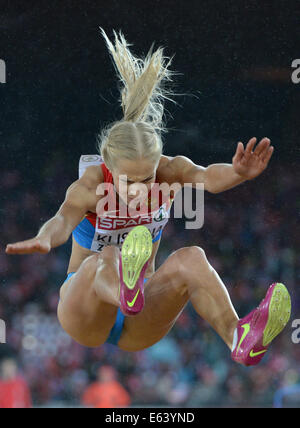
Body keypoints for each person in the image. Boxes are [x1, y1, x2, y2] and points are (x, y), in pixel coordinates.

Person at [6, 29, 291, 367]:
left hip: (142, 320)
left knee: (192, 257)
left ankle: (237, 336)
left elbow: (208, 178)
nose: (140, 189)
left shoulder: (170, 171)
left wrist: (238, 173)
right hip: (84, 310)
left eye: (148, 178)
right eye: (129, 181)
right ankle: (123, 290)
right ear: (109, 166)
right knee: (107, 254)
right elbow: (62, 220)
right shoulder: (90, 185)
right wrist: (44, 238)